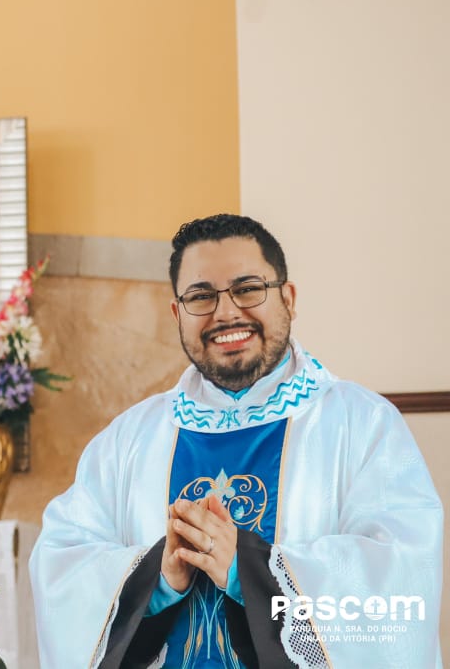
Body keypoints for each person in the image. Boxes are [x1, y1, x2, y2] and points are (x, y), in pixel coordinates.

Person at [30, 214, 443, 668]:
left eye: (248, 289)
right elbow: (61, 568)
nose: (226, 312)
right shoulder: (128, 440)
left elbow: (402, 578)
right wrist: (157, 576)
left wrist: (251, 570)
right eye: (201, 296)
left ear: (288, 297)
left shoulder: (362, 424)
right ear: (177, 314)